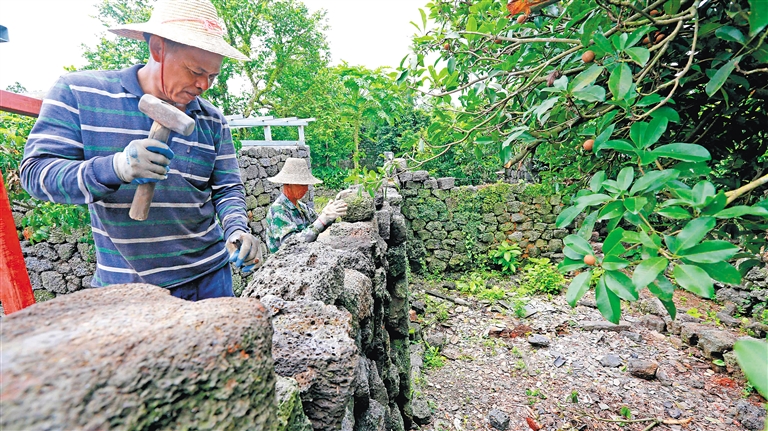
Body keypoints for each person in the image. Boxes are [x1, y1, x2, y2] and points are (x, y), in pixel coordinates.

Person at [20, 0, 263, 301]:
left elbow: (227, 188)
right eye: (195, 71)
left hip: (209, 281)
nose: (204, 85)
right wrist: (115, 168)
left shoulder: (211, 119)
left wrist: (237, 229)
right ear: (158, 49)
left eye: (212, 76)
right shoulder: (81, 94)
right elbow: (35, 174)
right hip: (127, 290)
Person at [265, 158, 349, 253]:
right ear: (288, 184)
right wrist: (322, 220)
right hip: (283, 263)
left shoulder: (301, 207)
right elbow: (291, 245)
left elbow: (317, 225)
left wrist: (332, 210)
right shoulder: (278, 211)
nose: (306, 189)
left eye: (306, 185)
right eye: (301, 185)